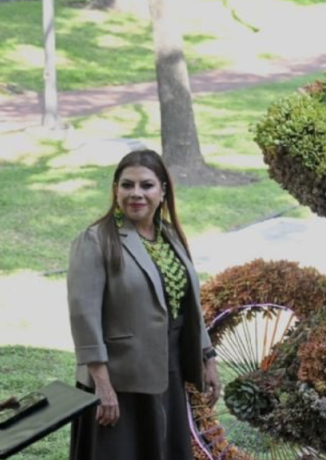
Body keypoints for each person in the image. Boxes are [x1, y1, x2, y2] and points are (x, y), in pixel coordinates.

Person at [67, 149, 221, 460]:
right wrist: (102, 385)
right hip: (120, 381)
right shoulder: (97, 239)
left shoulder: (170, 236)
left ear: (162, 191)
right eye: (127, 185)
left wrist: (208, 357)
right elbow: (84, 318)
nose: (135, 193)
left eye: (146, 185)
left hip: (169, 373)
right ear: (116, 190)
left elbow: (188, 305)